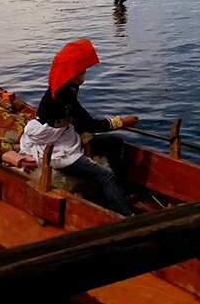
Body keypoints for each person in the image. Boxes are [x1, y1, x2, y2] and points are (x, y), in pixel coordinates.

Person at [19, 38, 138, 216]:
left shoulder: (67, 88)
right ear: (73, 74)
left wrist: (85, 137)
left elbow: (75, 120)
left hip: (65, 136)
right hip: (55, 147)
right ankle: (128, 217)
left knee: (115, 142)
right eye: (82, 70)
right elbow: (89, 123)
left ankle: (120, 192)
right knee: (106, 176)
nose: (84, 73)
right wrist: (122, 121)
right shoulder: (63, 95)